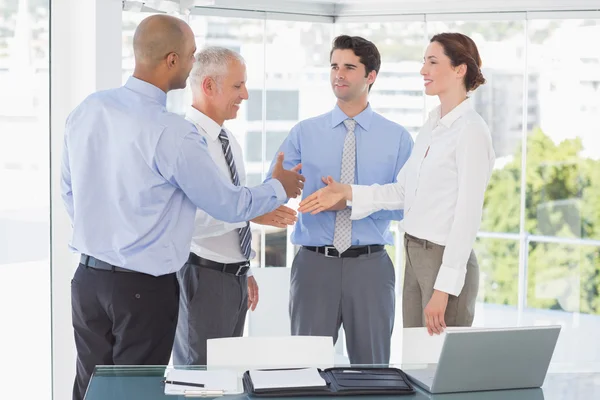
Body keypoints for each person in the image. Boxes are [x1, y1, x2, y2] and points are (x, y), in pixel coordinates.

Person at [62, 15, 303, 400]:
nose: (193, 64)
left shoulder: (89, 109)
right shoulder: (171, 131)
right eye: (191, 56)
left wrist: (109, 238)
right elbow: (225, 202)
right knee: (135, 393)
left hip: (87, 280)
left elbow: (70, 192)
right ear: (171, 60)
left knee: (91, 389)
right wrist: (280, 187)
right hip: (141, 289)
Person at [299, 32, 495, 337]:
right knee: (417, 359)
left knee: (437, 363)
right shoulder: (432, 126)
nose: (423, 70)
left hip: (443, 260)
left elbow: (468, 217)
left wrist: (444, 288)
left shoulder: (470, 130)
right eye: (423, 62)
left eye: (432, 62)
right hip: (414, 253)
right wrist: (347, 192)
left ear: (459, 69)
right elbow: (402, 191)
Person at [265, 35, 414, 364]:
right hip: (314, 266)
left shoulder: (398, 139)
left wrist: (349, 199)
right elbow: (273, 188)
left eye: (349, 67)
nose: (339, 74)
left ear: (370, 76)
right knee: (306, 369)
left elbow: (407, 205)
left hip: (371, 268)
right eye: (334, 66)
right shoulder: (304, 133)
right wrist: (282, 189)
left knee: (372, 371)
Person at [172, 47, 299, 366]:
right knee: (199, 376)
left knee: (225, 374)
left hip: (231, 277)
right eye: (237, 86)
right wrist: (253, 210)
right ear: (208, 86)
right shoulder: (186, 142)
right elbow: (191, 219)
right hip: (201, 276)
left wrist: (245, 268)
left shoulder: (228, 140)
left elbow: (234, 202)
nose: (245, 94)